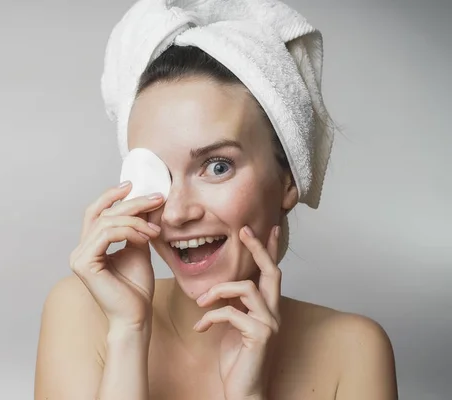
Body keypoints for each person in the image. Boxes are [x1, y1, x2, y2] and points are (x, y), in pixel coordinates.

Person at [34, 2, 398, 400]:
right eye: (159, 174)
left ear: (289, 179)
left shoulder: (354, 352)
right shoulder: (81, 314)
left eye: (218, 166)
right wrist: (128, 334)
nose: (176, 212)